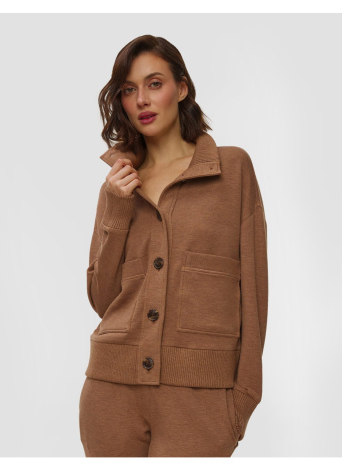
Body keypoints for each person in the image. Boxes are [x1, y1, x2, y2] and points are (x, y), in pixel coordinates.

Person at [78, 35, 268, 457]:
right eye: (129, 89)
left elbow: (254, 290)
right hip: (110, 395)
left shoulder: (231, 169)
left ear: (181, 89)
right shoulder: (118, 184)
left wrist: (244, 397)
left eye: (154, 84)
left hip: (199, 401)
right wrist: (116, 208)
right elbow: (102, 300)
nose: (142, 100)